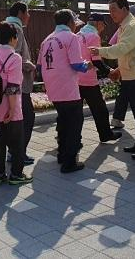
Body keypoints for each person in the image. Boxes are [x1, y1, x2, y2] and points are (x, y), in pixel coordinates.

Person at [91, 0, 135, 160]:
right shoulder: (124, 26)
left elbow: (122, 49)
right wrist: (119, 70)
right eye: (109, 10)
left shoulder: (132, 26)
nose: (111, 13)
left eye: (114, 9)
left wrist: (100, 51)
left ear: (125, 9)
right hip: (132, 76)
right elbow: (127, 54)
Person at [37, 9, 92, 173]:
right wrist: (88, 65)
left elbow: (39, 66)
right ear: (70, 22)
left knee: (63, 120)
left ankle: (62, 153)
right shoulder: (71, 37)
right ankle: (69, 162)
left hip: (53, 88)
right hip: (68, 87)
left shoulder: (47, 39)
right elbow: (76, 64)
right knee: (74, 124)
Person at [0, 22, 33, 185]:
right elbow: (13, 87)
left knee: (0, 139)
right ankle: (16, 174)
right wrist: (12, 109)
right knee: (17, 142)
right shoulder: (14, 57)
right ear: (13, 38)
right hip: (11, 106)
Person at [0, 2, 36, 166]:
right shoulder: (16, 29)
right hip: (17, 84)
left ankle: (11, 155)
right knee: (26, 118)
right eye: (28, 12)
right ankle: (17, 154)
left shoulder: (3, 27)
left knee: (8, 123)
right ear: (21, 12)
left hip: (4, 83)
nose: (29, 16)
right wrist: (28, 65)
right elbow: (14, 56)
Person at [77, 13, 122, 143]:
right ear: (98, 23)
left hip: (75, 78)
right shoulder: (94, 36)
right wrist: (110, 72)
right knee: (100, 109)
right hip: (88, 79)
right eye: (103, 25)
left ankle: (72, 138)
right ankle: (105, 134)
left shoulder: (78, 34)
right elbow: (96, 60)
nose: (103, 28)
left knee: (75, 111)